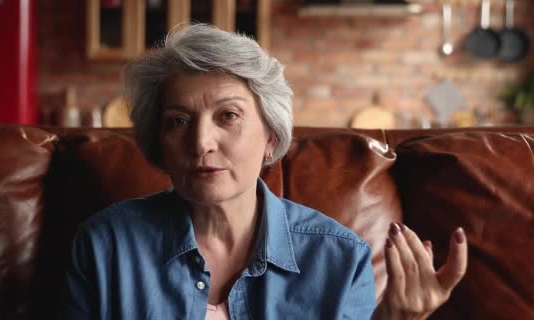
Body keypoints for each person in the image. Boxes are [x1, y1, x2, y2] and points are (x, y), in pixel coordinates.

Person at [59, 24, 467, 319]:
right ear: (159, 145)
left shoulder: (341, 260)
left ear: (270, 138)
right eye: (178, 121)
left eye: (229, 116)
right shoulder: (104, 247)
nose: (201, 143)